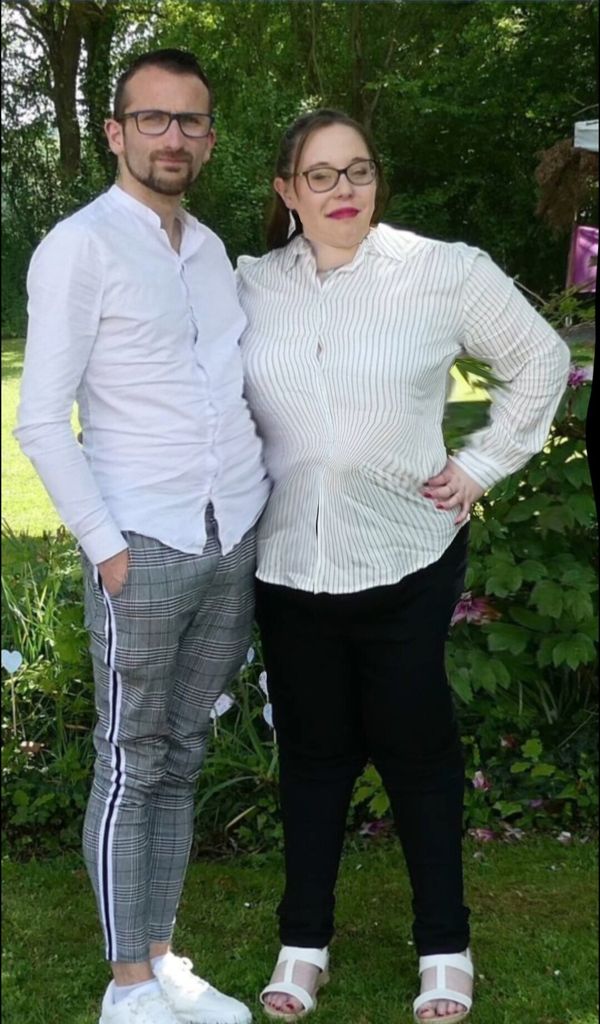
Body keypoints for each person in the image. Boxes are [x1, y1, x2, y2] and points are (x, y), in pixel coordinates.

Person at [236, 109, 570, 1023]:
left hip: (406, 558)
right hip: (288, 562)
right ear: (286, 190)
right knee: (312, 757)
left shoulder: (442, 271)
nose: (343, 190)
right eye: (320, 175)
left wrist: (482, 464)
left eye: (359, 171)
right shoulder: (249, 284)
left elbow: (540, 359)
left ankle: (444, 947)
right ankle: (302, 943)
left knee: (417, 755)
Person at [16, 49, 269, 1024]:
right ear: (116, 131)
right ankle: (126, 987)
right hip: (143, 543)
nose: (173, 136)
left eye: (190, 120)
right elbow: (41, 418)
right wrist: (107, 547)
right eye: (153, 118)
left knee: (184, 750)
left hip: (229, 535)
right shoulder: (79, 246)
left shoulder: (209, 251)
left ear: (209, 138)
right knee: (131, 757)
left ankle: (162, 957)